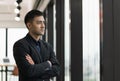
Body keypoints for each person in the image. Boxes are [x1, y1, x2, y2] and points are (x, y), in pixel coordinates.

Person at [13, 10, 60, 81]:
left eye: (43, 22)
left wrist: (36, 67)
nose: (43, 26)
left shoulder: (47, 46)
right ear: (29, 25)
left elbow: (57, 69)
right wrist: (48, 64)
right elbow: (29, 71)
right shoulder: (20, 45)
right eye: (39, 23)